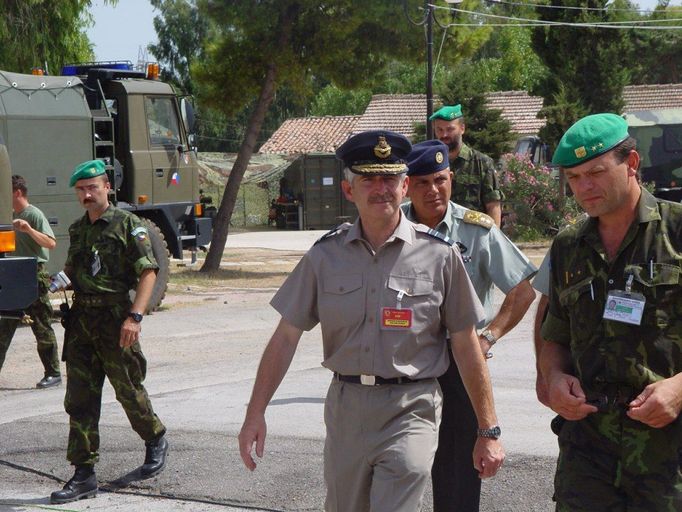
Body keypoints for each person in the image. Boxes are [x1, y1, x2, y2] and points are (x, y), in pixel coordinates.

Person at [238, 131, 505, 512]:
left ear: (405, 185)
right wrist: (255, 413)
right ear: (349, 190)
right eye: (369, 179)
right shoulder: (324, 257)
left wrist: (488, 429)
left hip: (411, 405)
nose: (381, 189)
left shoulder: (440, 256)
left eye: (390, 178)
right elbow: (285, 337)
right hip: (346, 409)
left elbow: (466, 344)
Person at [540, 113, 682, 510]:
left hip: (668, 452)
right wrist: (553, 379)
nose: (584, 187)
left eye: (596, 173)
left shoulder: (676, 233)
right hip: (588, 453)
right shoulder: (569, 246)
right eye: (574, 178)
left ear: (632, 163)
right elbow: (556, 336)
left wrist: (678, 388)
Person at [402, 140, 536, 512]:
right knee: (397, 468)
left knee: (457, 474)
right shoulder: (390, 225)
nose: (433, 190)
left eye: (441, 180)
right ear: (406, 185)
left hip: (459, 363)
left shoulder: (475, 230)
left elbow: (523, 290)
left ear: (452, 179)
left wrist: (488, 336)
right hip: (403, 363)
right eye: (422, 182)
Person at [50, 160, 168, 504]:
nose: (87, 194)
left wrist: (135, 316)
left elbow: (148, 272)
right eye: (81, 190)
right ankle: (83, 473)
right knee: (80, 400)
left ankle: (155, 437)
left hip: (117, 320)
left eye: (93, 187)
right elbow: (73, 268)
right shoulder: (78, 229)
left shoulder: (128, 225)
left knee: (128, 390)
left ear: (106, 187)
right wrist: (56, 281)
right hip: (82, 323)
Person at [0, 175, 61, 388]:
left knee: (41, 325)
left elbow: (51, 243)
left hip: (34, 275)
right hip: (13, 275)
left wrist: (28, 229)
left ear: (17, 192)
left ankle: (53, 373)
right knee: (4, 325)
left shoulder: (33, 215)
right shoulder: (8, 216)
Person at [430, 104, 503, 227]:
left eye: (450, 129)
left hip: (473, 237)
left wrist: (492, 241)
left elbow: (493, 206)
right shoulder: (431, 164)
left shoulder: (481, 163)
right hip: (439, 237)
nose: (444, 135)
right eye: (439, 130)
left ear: (462, 128)